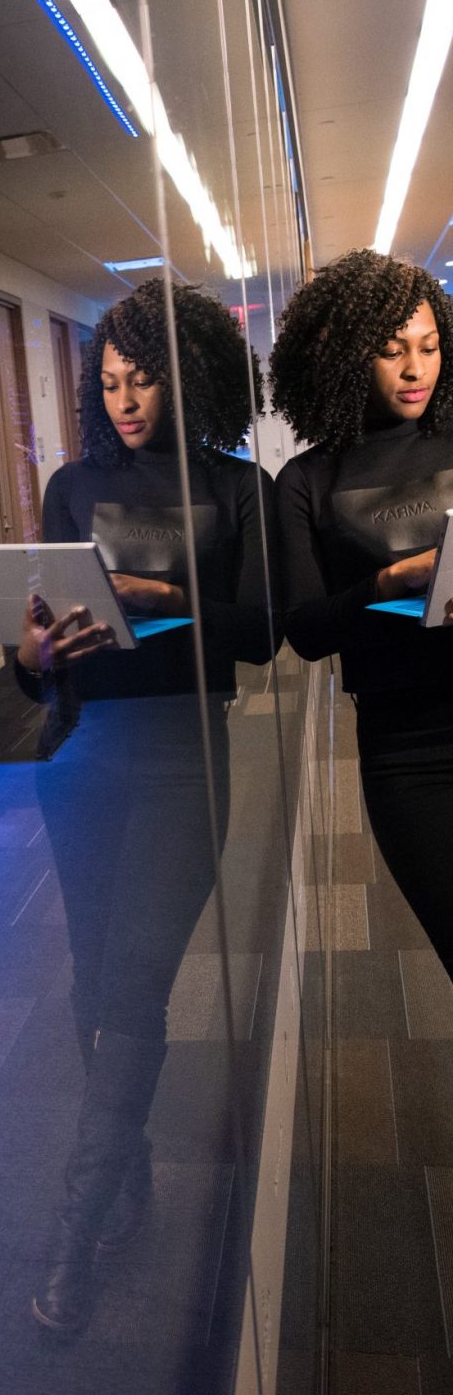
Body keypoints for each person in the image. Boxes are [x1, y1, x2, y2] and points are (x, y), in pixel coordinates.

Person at [17, 278, 277, 1335]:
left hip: (182, 764)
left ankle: (75, 1229)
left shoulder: (232, 484)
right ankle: (127, 1179)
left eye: (144, 378)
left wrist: (162, 600)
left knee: (129, 987)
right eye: (111, 381)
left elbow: (263, 632)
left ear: (186, 375)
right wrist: (31, 656)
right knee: (93, 986)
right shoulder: (70, 485)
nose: (126, 399)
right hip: (83, 756)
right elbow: (36, 664)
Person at [271, 249, 453, 983]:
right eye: (391, 351)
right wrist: (388, 581)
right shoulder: (309, 480)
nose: (415, 369)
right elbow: (308, 631)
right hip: (406, 750)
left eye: (430, 346)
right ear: (349, 359)